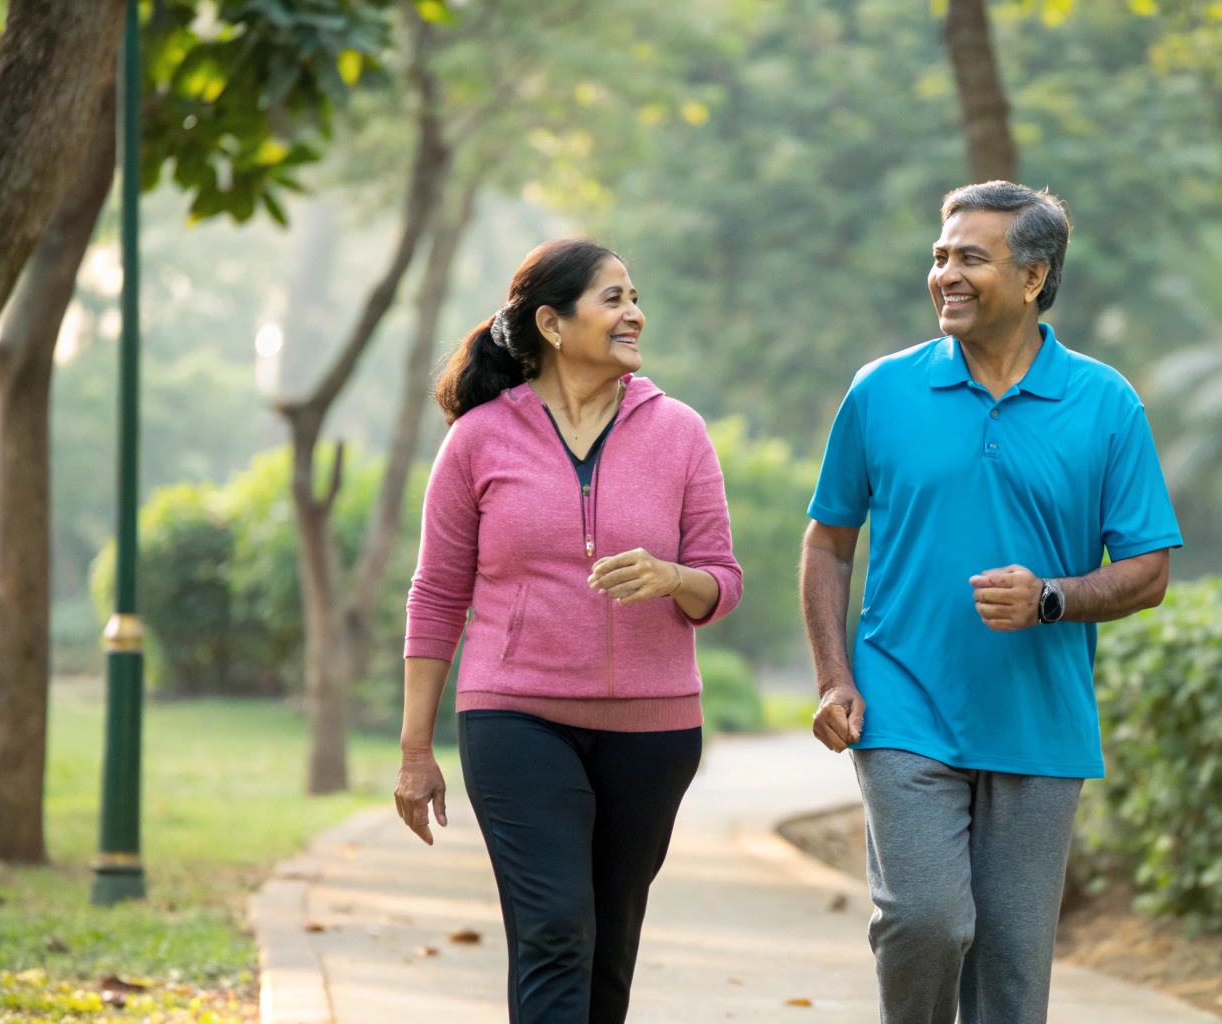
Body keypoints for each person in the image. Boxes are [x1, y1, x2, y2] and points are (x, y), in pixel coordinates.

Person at [800, 182, 1181, 1023]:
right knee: (923, 921)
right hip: (903, 706)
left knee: (1012, 973)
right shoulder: (881, 391)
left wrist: (1050, 598)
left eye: (971, 257)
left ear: (1036, 277)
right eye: (940, 256)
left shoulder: (1106, 404)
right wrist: (835, 677)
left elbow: (1149, 569)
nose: (945, 275)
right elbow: (829, 542)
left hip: (1039, 722)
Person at [392, 238, 742, 1024]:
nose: (635, 314)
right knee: (555, 928)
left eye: (634, 296)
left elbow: (722, 581)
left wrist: (674, 577)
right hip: (515, 715)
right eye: (613, 299)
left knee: (609, 943)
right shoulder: (479, 439)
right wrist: (417, 750)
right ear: (552, 323)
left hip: (652, 729)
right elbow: (438, 594)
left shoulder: (680, 432)